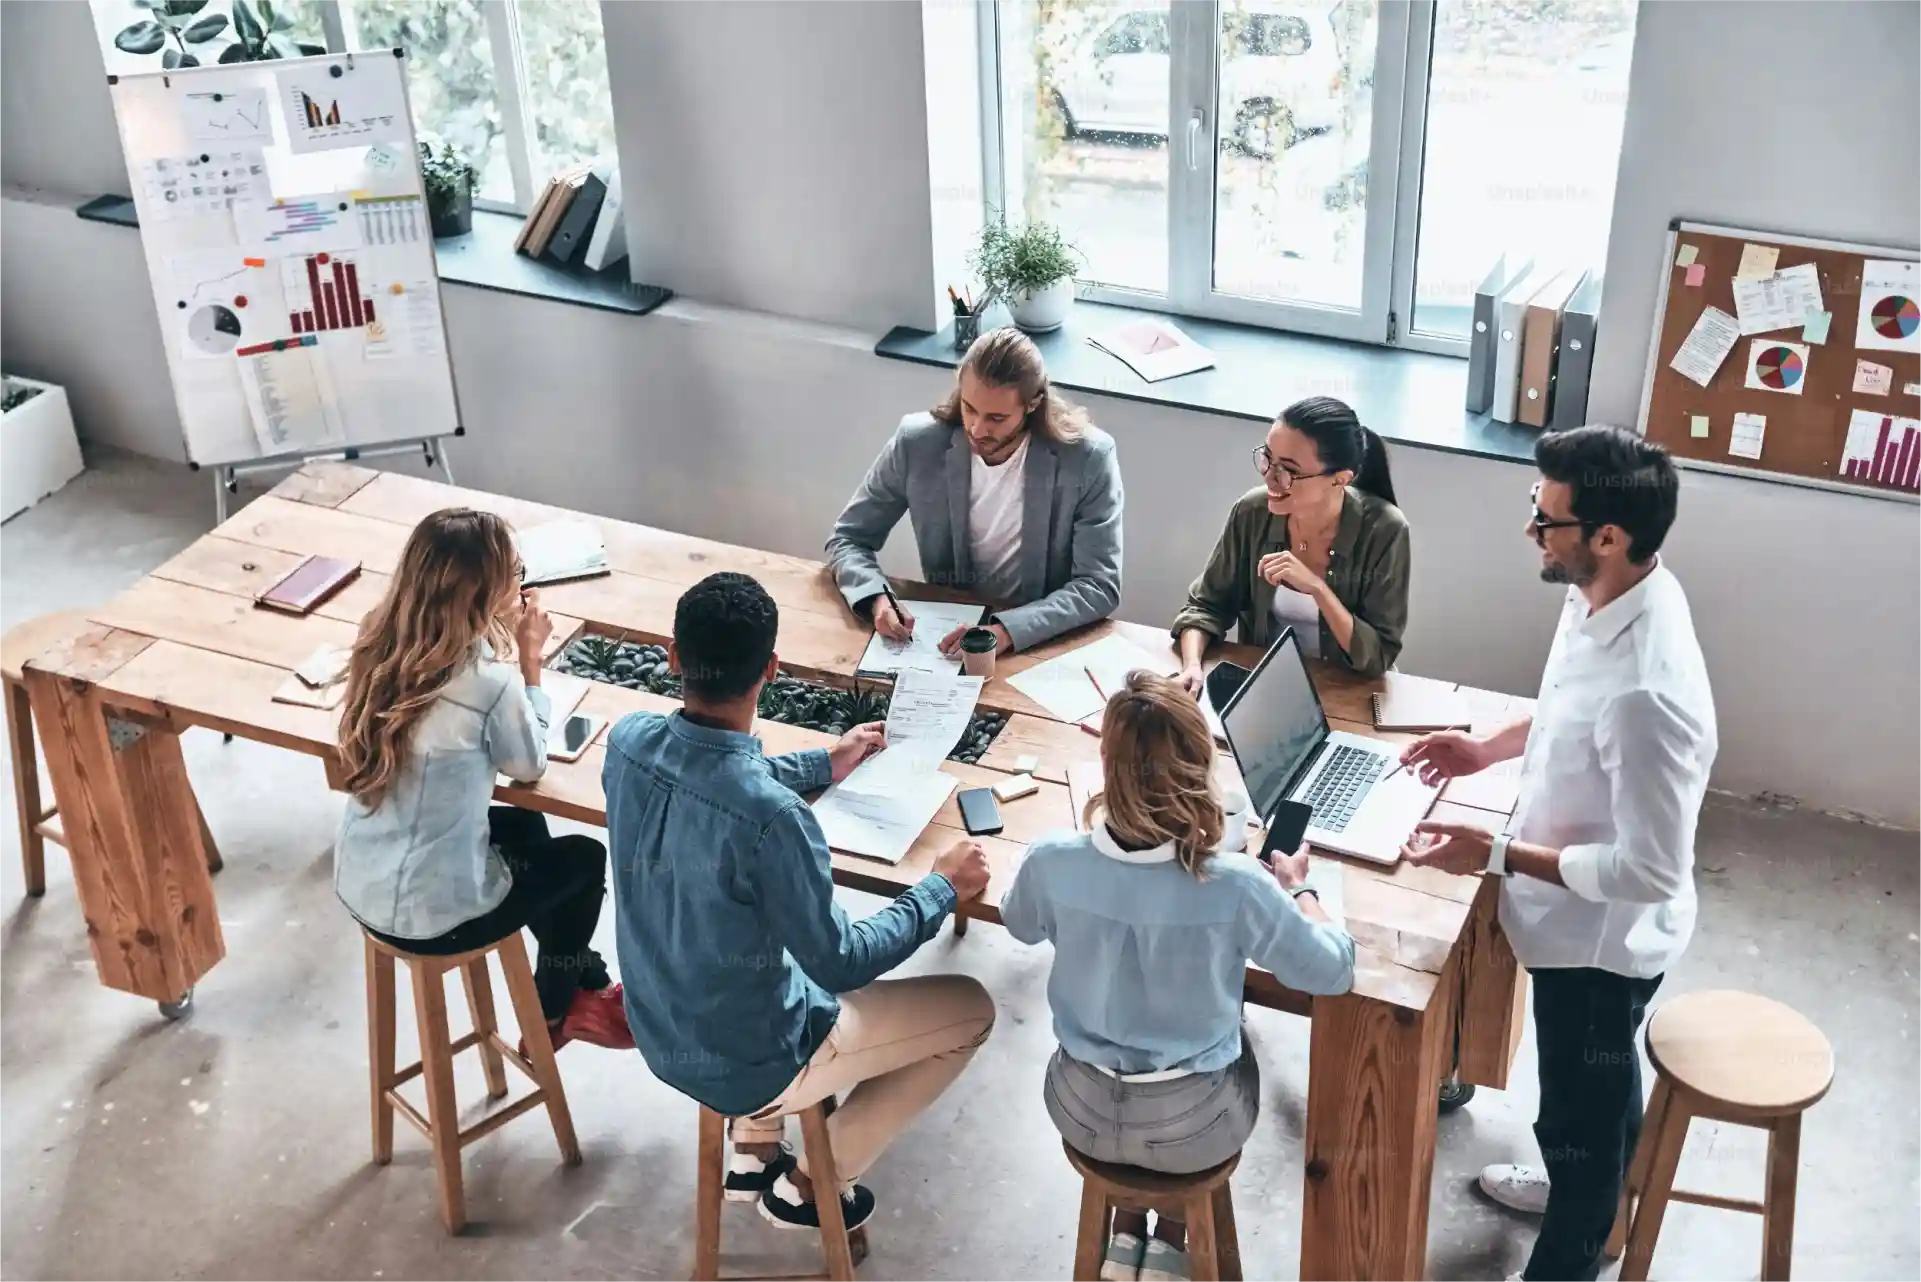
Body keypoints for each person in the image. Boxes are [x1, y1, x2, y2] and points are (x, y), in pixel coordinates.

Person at [1396, 426, 1716, 1282]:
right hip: (1567, 918)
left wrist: (1494, 852)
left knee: (1575, 1125)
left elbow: (1649, 871)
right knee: (1592, 1103)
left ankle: (1578, 1231)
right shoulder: (1607, 591)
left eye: (1545, 520)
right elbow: (1563, 710)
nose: (1529, 532)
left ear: (1606, 535)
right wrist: (1481, 749)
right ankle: (1598, 1188)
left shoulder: (1646, 693)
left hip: (1598, 949)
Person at [603, 571, 996, 1234]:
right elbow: (841, 961)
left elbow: (709, 771)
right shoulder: (773, 821)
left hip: (658, 1029)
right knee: (973, 1010)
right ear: (773, 670)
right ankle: (814, 1181)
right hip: (756, 1059)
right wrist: (939, 887)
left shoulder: (627, 742)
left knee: (753, 956)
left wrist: (822, 765)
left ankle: (754, 1145)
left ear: (672, 655)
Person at [1001, 672, 1356, 1282]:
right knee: (1234, 1041)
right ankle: (1169, 1234)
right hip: (1193, 1126)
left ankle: (1128, 1230)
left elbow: (1018, 925)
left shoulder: (1052, 859)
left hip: (1077, 1105)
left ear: (1106, 759)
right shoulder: (1237, 884)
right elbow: (1335, 971)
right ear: (1202, 767)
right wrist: (1301, 888)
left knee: (1148, 1064)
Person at [334, 508, 631, 1052]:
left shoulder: (379, 639)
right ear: (481, 592)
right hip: (436, 918)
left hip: (363, 882)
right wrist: (531, 660)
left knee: (523, 827)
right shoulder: (490, 684)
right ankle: (554, 1011)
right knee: (586, 859)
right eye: (517, 574)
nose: (525, 585)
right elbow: (529, 765)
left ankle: (586, 980)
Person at [826, 326, 1123, 657]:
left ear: (1033, 403)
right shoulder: (917, 443)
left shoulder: (1087, 458)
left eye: (997, 417)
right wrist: (875, 598)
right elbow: (848, 539)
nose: (978, 429)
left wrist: (1005, 631)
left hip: (1038, 642)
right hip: (945, 637)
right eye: (969, 408)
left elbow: (1098, 586)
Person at [1172, 396, 1410, 684]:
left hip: (1349, 690)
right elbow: (1206, 606)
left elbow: (1378, 656)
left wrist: (1318, 590)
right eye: (1268, 458)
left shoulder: (1384, 530)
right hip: (1264, 685)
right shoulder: (1252, 512)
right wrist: (1192, 666)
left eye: (1290, 470)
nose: (1270, 478)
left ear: (1340, 479)